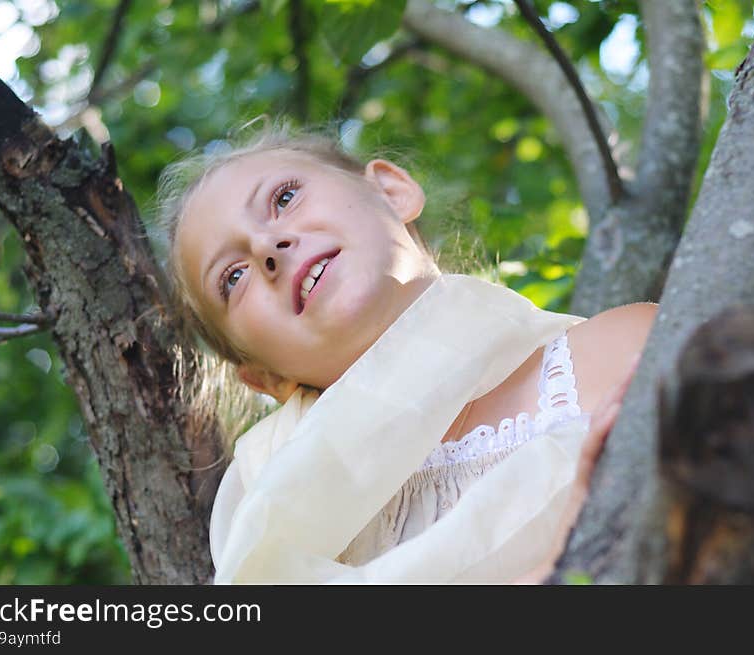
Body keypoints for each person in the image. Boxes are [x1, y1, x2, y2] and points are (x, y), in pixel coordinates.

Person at [157, 124, 656, 583]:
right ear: (267, 378)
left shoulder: (620, 352)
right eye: (233, 277)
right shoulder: (269, 525)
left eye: (285, 197)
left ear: (391, 190)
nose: (268, 247)